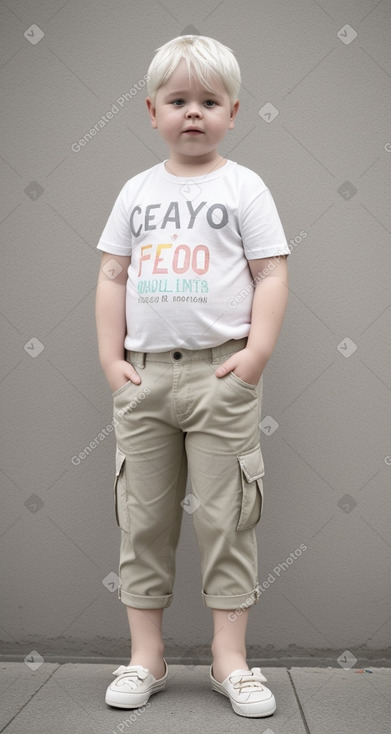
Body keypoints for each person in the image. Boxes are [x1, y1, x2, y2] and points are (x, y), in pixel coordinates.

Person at [95, 34, 289, 718]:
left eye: (209, 101)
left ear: (233, 111)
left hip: (221, 380)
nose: (193, 114)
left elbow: (270, 273)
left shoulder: (245, 187)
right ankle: (145, 656)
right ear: (151, 110)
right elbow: (112, 274)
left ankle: (228, 659)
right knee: (141, 521)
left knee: (226, 520)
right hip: (144, 383)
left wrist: (255, 357)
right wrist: (112, 362)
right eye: (178, 101)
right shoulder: (135, 192)